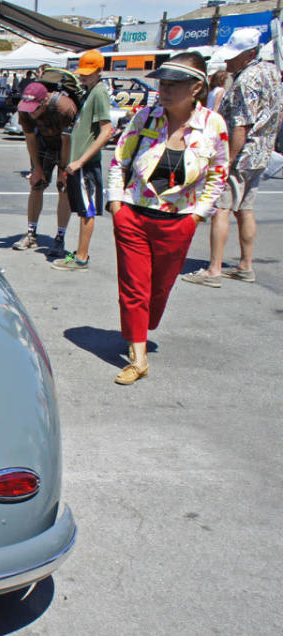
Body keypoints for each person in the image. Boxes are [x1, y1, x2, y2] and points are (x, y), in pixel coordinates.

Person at [106, 52, 228, 385]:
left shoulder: (213, 125)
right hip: (133, 213)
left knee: (158, 290)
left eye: (176, 83)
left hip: (178, 220)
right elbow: (119, 161)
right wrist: (117, 204)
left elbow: (219, 173)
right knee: (134, 287)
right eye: (163, 82)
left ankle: (141, 326)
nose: (166, 89)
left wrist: (198, 215)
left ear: (197, 87)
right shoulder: (145, 117)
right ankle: (138, 358)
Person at [181, 28, 283, 288]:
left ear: (250, 54)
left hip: (242, 154)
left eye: (234, 56)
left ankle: (214, 269)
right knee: (245, 209)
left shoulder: (247, 80)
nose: (228, 62)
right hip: (260, 153)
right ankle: (245, 264)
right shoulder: (271, 73)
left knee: (221, 209)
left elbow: (240, 125)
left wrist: (227, 161)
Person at [51, 49, 114, 271]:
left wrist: (81, 160)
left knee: (87, 210)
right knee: (81, 208)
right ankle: (79, 254)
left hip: (86, 164)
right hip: (78, 163)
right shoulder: (90, 92)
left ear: (99, 71)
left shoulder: (99, 92)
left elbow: (107, 131)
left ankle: (81, 257)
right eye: (82, 72)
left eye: (89, 72)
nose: (83, 76)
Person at [11, 81, 76, 255]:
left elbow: (67, 141)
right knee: (36, 185)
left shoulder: (63, 108)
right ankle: (31, 234)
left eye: (35, 109)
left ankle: (59, 238)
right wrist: (36, 168)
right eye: (28, 109)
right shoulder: (24, 109)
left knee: (64, 189)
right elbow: (30, 139)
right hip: (43, 144)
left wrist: (64, 170)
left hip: (66, 145)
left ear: (45, 102)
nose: (31, 113)